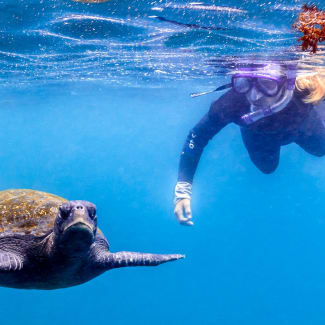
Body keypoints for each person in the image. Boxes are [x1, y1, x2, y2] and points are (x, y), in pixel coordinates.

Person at [174, 62, 325, 226]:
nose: (254, 96)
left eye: (267, 84)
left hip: (303, 125)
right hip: (259, 136)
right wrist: (183, 191)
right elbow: (197, 136)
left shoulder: (305, 88)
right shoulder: (233, 103)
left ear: (287, 82)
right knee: (267, 168)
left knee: (321, 149)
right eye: (244, 83)